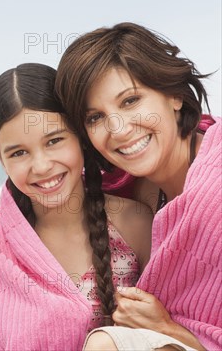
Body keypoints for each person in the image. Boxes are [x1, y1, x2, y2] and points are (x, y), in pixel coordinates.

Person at [0, 63, 153, 349]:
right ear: (1, 159)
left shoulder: (134, 223)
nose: (42, 166)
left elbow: (162, 332)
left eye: (54, 140)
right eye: (19, 152)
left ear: (80, 138)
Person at [55, 22, 221, 350]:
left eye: (130, 101)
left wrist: (170, 329)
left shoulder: (214, 189)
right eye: (95, 117)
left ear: (174, 94)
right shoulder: (127, 187)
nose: (117, 128)